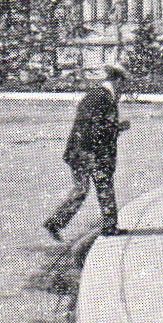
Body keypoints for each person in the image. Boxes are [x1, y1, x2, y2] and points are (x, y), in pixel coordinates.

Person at [44, 62, 133, 240]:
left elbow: (94, 123)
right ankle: (109, 226)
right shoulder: (101, 96)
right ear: (117, 80)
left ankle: (56, 222)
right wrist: (117, 127)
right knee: (103, 186)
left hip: (81, 150)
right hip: (90, 152)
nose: (125, 88)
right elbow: (96, 126)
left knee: (83, 189)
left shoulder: (99, 95)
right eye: (124, 83)